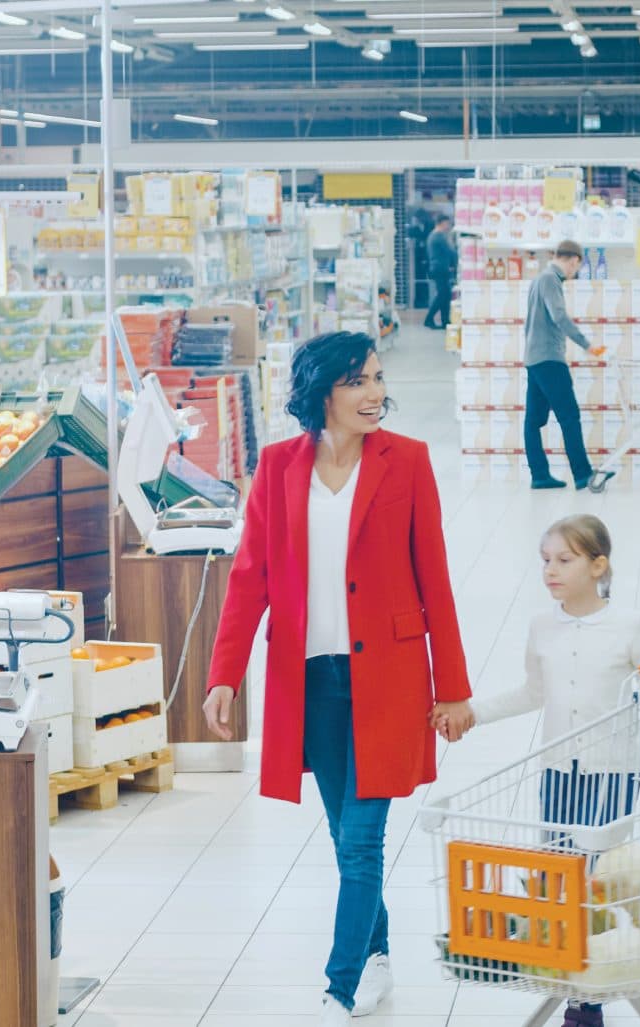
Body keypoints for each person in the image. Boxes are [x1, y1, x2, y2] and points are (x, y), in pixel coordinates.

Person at [202, 331, 474, 1025]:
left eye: (379, 379)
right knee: (343, 837)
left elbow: (435, 581)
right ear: (322, 390)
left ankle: (340, 986)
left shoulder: (408, 462)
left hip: (389, 679)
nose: (376, 393)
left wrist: (453, 687)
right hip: (311, 681)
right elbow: (249, 579)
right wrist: (224, 674)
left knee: (361, 842)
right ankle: (379, 953)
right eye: (359, 381)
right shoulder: (278, 466)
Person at [436, 514, 640, 1027]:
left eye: (564, 560)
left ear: (599, 566)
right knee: (560, 883)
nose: (550, 571)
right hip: (559, 775)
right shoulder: (540, 626)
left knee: (600, 884)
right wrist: (472, 711)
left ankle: (589, 999)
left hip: (612, 776)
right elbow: (533, 693)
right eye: (545, 561)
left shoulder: (629, 626)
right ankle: (575, 987)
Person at [525, 240, 610, 491]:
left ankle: (539, 475)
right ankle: (583, 474)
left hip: (534, 358)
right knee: (569, 415)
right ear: (572, 260)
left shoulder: (539, 279)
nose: (573, 273)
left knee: (533, 421)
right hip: (549, 359)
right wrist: (587, 344)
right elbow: (559, 316)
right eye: (576, 267)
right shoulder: (551, 279)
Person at [423, 215, 458, 330]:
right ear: (442, 223)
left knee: (445, 295)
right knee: (442, 295)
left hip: (438, 268)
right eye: (447, 223)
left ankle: (445, 321)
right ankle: (429, 319)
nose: (448, 226)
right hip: (441, 269)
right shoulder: (439, 236)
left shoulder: (433, 236)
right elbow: (451, 252)